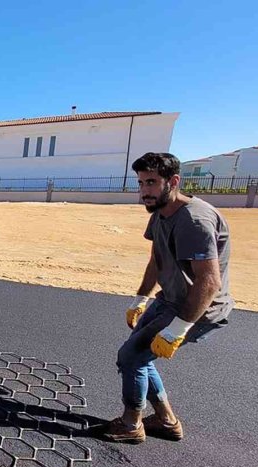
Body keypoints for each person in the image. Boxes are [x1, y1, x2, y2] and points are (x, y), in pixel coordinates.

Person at [101, 152, 233, 444]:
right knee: (138, 356)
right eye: (140, 183)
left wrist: (178, 329)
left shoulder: (194, 221)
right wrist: (140, 299)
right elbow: (156, 260)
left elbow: (209, 282)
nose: (144, 190)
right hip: (170, 299)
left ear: (173, 181)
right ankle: (166, 420)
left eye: (151, 182)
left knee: (132, 356)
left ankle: (131, 424)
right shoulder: (160, 213)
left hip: (197, 308)